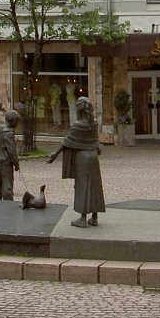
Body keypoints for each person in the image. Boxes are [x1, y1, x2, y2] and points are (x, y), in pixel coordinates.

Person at [46, 96, 105, 227]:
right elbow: (95, 141)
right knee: (94, 185)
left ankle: (83, 219)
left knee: (82, 186)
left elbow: (67, 142)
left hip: (82, 158)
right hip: (93, 157)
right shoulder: (94, 123)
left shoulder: (78, 125)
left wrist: (55, 155)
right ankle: (94, 217)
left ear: (79, 110)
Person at [0, 110, 20, 200]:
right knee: (7, 183)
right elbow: (12, 151)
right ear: (12, 120)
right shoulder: (9, 134)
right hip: (6, 162)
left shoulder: (0, 130)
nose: (17, 124)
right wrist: (16, 164)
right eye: (17, 121)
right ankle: (8, 203)